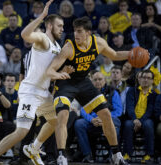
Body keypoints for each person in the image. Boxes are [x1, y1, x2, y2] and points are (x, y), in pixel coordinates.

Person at [0, 1, 67, 165]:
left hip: (44, 92)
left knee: (56, 122)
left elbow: (51, 72)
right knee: (22, 131)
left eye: (63, 26)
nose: (62, 29)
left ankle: (34, 148)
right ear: (49, 26)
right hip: (30, 91)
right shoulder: (42, 38)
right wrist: (41, 17)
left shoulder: (57, 45)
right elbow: (25, 35)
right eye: (59, 25)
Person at [46, 16, 132, 165]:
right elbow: (50, 70)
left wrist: (132, 54)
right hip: (65, 82)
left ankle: (116, 154)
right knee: (63, 115)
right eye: (74, 31)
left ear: (88, 33)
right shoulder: (69, 47)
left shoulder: (98, 43)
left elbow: (115, 55)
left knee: (105, 114)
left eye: (79, 31)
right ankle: (61, 156)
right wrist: (61, 73)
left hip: (84, 82)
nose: (76, 35)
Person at [74, 71, 122, 163]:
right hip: (93, 122)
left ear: (105, 80)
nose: (97, 82)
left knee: (116, 122)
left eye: (100, 79)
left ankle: (113, 155)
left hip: (109, 120)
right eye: (95, 80)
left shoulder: (113, 92)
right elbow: (83, 110)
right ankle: (88, 155)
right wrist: (91, 119)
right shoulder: (87, 93)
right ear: (91, 82)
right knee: (79, 124)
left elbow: (118, 111)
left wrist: (104, 118)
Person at [123, 70, 158, 163]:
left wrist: (140, 121)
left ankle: (148, 155)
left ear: (152, 81)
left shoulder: (154, 94)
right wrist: (135, 119)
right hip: (132, 118)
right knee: (127, 125)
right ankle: (127, 154)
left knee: (148, 125)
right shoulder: (131, 91)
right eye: (143, 77)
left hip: (146, 119)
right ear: (139, 79)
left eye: (148, 78)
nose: (145, 80)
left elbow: (150, 111)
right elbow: (129, 107)